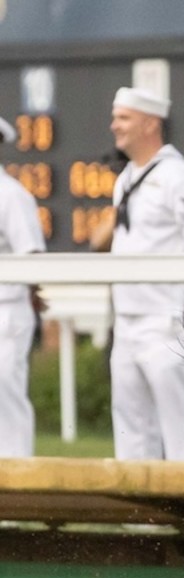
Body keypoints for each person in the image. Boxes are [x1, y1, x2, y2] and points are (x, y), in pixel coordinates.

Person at [108, 86, 184, 461]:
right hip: (127, 317)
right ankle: (138, 514)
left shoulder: (179, 176)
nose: (114, 126)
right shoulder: (125, 177)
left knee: (178, 422)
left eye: (123, 118)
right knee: (131, 420)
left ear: (150, 124)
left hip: (166, 317)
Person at [0, 114, 45, 458]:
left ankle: (16, 490)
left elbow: (32, 258)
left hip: (7, 309)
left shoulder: (11, 196)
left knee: (6, 393)